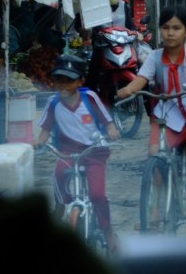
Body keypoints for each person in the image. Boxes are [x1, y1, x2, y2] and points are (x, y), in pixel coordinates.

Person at [116, 5, 186, 216]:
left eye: (176, 28)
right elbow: (141, 80)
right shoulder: (155, 57)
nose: (170, 33)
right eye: (166, 27)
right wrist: (128, 89)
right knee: (154, 158)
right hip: (167, 117)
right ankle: (156, 209)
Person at [35, 54, 122, 256]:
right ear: (53, 81)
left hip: (94, 152)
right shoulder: (52, 103)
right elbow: (45, 130)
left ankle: (108, 231)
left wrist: (112, 131)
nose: (63, 85)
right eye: (59, 80)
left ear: (80, 81)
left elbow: (108, 123)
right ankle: (60, 206)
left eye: (69, 80)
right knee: (58, 174)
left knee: (97, 194)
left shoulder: (89, 98)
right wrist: (39, 140)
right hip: (67, 152)